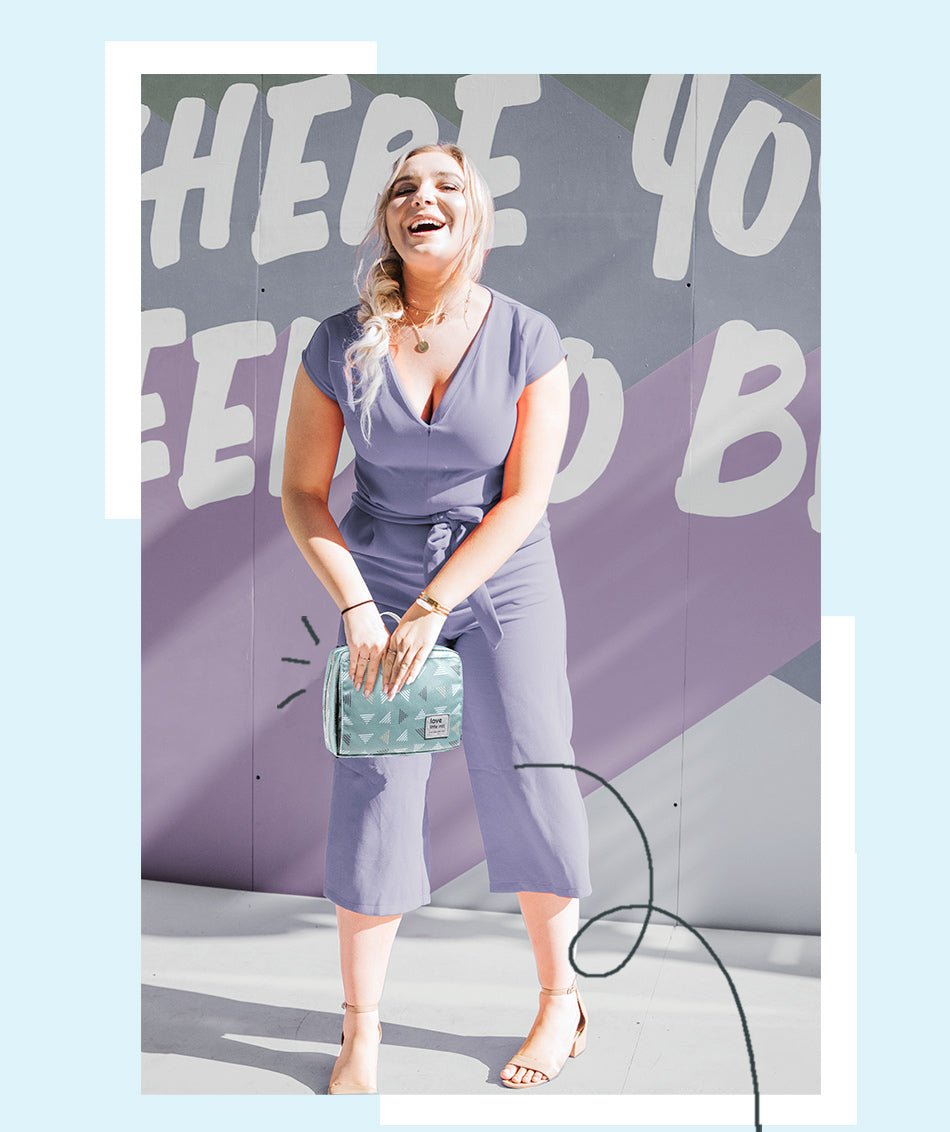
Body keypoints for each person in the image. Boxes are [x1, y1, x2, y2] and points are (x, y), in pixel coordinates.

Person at [281, 143, 591, 1094]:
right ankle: (361, 1032)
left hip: (500, 579)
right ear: (388, 218)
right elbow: (302, 492)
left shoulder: (530, 337)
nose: (426, 196)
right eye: (407, 186)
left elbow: (525, 499)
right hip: (376, 577)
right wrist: (362, 610)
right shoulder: (338, 341)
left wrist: (434, 605)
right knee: (375, 793)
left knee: (533, 774)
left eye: (447, 185)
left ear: (474, 217)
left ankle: (558, 1003)